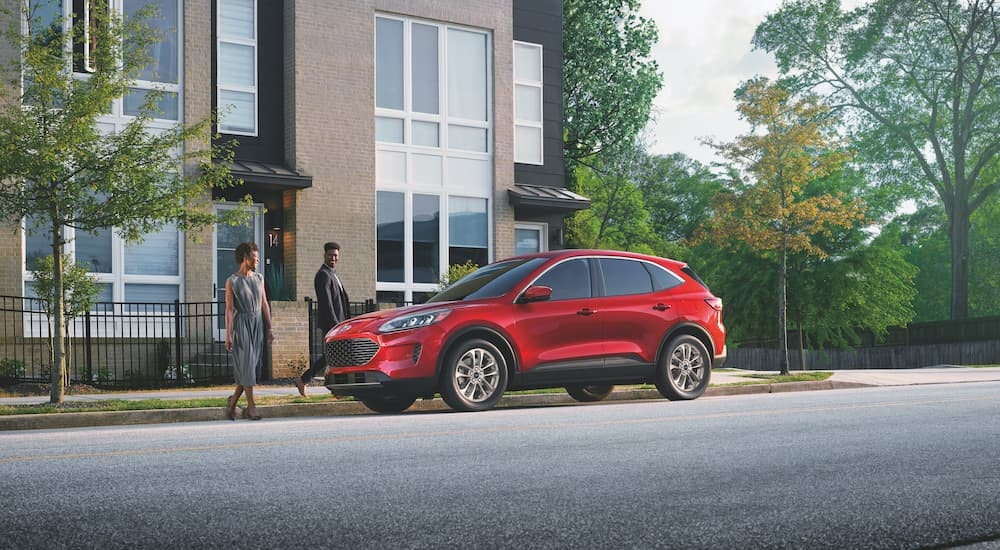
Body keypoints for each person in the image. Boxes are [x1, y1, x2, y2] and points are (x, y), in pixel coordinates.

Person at [225, 242, 274, 420]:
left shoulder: (259, 278)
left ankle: (232, 402)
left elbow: (264, 304)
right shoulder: (232, 281)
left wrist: (269, 327)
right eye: (255, 258)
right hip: (241, 325)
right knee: (247, 366)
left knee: (250, 368)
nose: (257, 262)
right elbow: (229, 310)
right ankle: (251, 407)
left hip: (257, 324)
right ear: (245, 258)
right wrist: (228, 334)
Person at [295, 241, 350, 397]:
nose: (333, 258)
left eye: (336, 256)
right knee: (334, 356)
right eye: (330, 255)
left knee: (333, 357)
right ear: (324, 256)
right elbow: (327, 304)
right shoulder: (323, 275)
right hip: (332, 324)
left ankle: (306, 380)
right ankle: (333, 389)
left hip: (340, 323)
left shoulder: (333, 274)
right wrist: (336, 326)